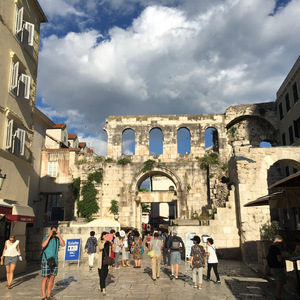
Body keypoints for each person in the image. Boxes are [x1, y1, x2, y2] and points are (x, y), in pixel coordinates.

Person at [41, 226, 65, 300]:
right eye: (53, 231)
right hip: (46, 260)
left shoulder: (57, 239)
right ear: (50, 231)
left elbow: (63, 244)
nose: (54, 232)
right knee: (45, 277)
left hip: (54, 260)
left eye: (55, 231)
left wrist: (59, 236)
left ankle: (49, 295)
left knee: (52, 277)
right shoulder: (46, 238)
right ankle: (43, 296)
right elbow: (43, 245)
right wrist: (49, 236)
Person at [267, 235, 286, 300]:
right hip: (277, 267)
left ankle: (277, 295)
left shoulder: (270, 247)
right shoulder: (276, 249)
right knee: (280, 282)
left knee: (279, 281)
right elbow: (279, 259)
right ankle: (278, 296)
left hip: (272, 267)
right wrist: (284, 258)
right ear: (277, 241)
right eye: (280, 242)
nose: (280, 244)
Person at [97, 231, 111, 296]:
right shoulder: (100, 242)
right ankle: (103, 288)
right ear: (102, 236)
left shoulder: (109, 243)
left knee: (105, 275)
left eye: (107, 235)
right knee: (101, 275)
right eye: (105, 235)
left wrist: (111, 242)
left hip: (107, 262)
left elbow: (113, 248)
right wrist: (104, 242)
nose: (106, 237)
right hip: (101, 262)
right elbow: (100, 247)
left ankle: (101, 285)